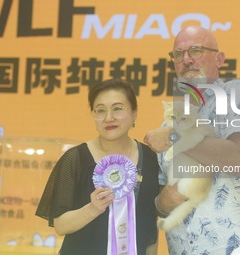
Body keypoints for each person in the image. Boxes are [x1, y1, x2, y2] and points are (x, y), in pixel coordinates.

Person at [144, 26, 240, 255]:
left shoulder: (237, 95)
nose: (186, 59)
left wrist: (176, 138)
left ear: (219, 58)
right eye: (178, 54)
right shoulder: (168, 125)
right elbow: (160, 204)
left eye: (195, 50)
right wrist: (163, 202)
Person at [36, 78, 160, 255]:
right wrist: (93, 208)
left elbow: (150, 227)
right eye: (100, 110)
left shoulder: (150, 158)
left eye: (117, 108)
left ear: (134, 113)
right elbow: (61, 226)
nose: (108, 118)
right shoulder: (75, 159)